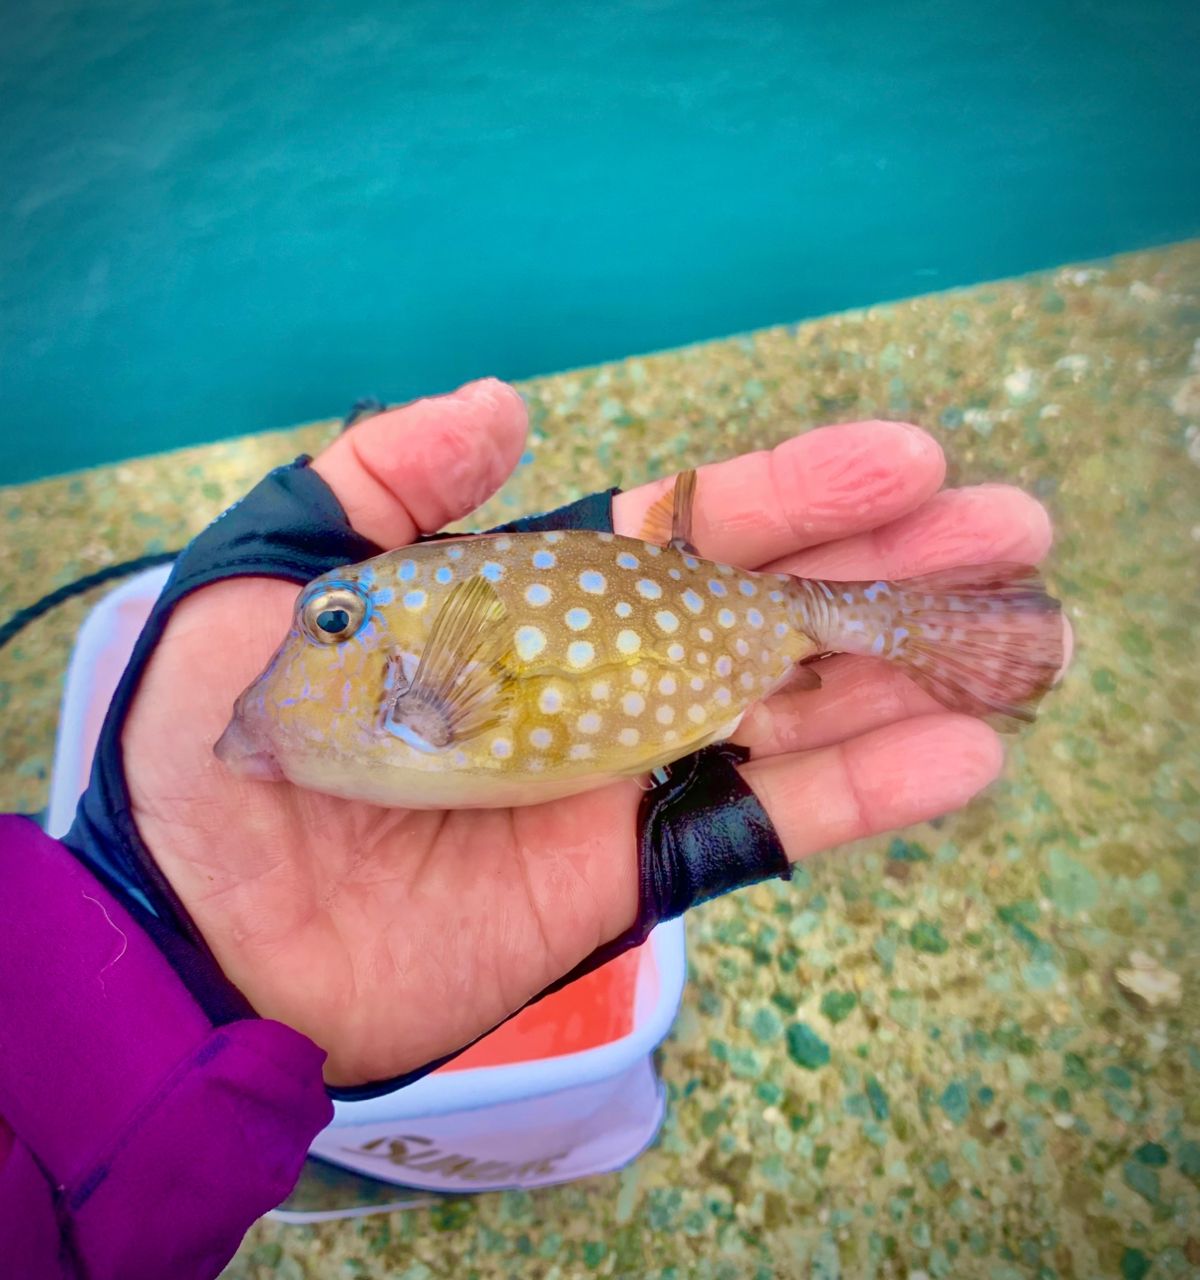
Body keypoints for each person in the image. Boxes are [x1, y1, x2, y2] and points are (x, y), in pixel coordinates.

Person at [0, 378, 1063, 1278]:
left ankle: (928, 626)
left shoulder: (413, 702)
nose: (314, 637)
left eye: (330, 622)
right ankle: (936, 627)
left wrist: (154, 941)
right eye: (326, 618)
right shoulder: (367, 734)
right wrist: (170, 933)